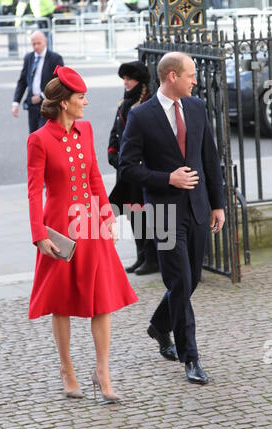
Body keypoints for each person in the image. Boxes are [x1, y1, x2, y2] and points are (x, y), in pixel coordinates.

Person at [27, 65, 138, 402]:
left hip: (91, 225)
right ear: (64, 103)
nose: (86, 102)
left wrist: (107, 217)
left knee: (101, 300)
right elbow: (34, 192)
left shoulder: (86, 130)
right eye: (80, 97)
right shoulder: (38, 140)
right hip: (60, 229)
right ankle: (67, 368)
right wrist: (38, 234)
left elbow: (93, 177)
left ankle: (102, 372)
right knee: (61, 303)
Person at [119, 52, 225, 385]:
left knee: (190, 280)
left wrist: (218, 204)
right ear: (172, 77)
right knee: (179, 281)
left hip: (196, 207)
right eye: (191, 75)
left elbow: (210, 157)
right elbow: (128, 168)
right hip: (163, 212)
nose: (196, 81)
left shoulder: (195, 108)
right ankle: (191, 357)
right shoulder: (141, 116)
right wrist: (168, 179)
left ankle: (159, 326)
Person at [108, 61, 159, 275]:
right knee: (131, 212)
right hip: (125, 168)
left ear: (139, 80)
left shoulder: (147, 102)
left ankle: (152, 258)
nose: (126, 82)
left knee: (143, 212)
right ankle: (141, 256)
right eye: (124, 79)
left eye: (130, 79)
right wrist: (112, 152)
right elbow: (116, 130)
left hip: (139, 168)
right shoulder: (125, 102)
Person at [12, 30, 63, 133]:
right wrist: (16, 102)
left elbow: (59, 83)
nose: (36, 47)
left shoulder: (55, 59)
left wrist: (42, 96)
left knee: (43, 134)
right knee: (33, 135)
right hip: (32, 104)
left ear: (45, 42)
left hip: (47, 104)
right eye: (33, 44)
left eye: (38, 43)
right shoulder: (29, 58)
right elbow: (22, 81)